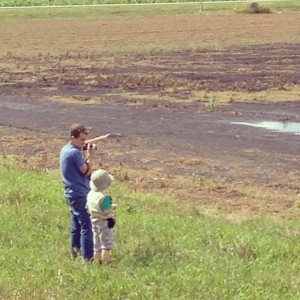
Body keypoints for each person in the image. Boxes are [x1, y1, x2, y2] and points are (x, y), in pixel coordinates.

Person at [59, 123, 109, 261]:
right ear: (72, 138)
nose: (83, 143)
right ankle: (88, 259)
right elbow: (86, 171)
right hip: (79, 194)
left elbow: (85, 144)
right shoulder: (74, 153)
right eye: (81, 140)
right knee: (87, 227)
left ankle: (75, 252)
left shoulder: (65, 149)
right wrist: (90, 156)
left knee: (76, 225)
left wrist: (100, 139)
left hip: (70, 193)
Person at [86, 169, 117, 264]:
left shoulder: (90, 194)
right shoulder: (103, 198)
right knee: (105, 245)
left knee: (97, 245)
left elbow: (87, 207)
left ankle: (97, 262)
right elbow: (106, 211)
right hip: (104, 222)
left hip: (94, 221)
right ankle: (106, 263)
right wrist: (113, 207)